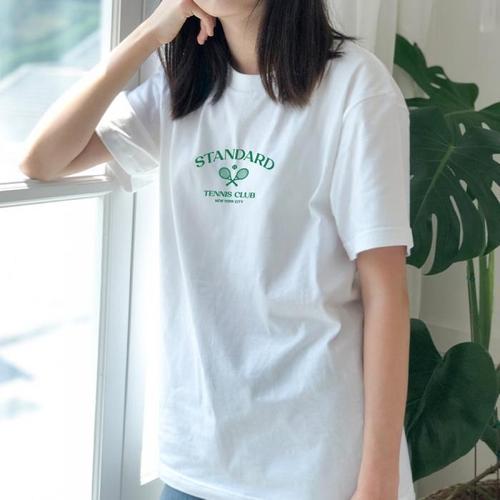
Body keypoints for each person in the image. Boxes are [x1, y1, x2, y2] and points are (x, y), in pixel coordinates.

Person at [19, 1, 417, 499]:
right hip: (195, 457)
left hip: (315, 464)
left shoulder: (356, 88)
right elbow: (43, 160)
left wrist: (379, 480)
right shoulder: (182, 90)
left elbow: (386, 295)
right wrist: (148, 35)